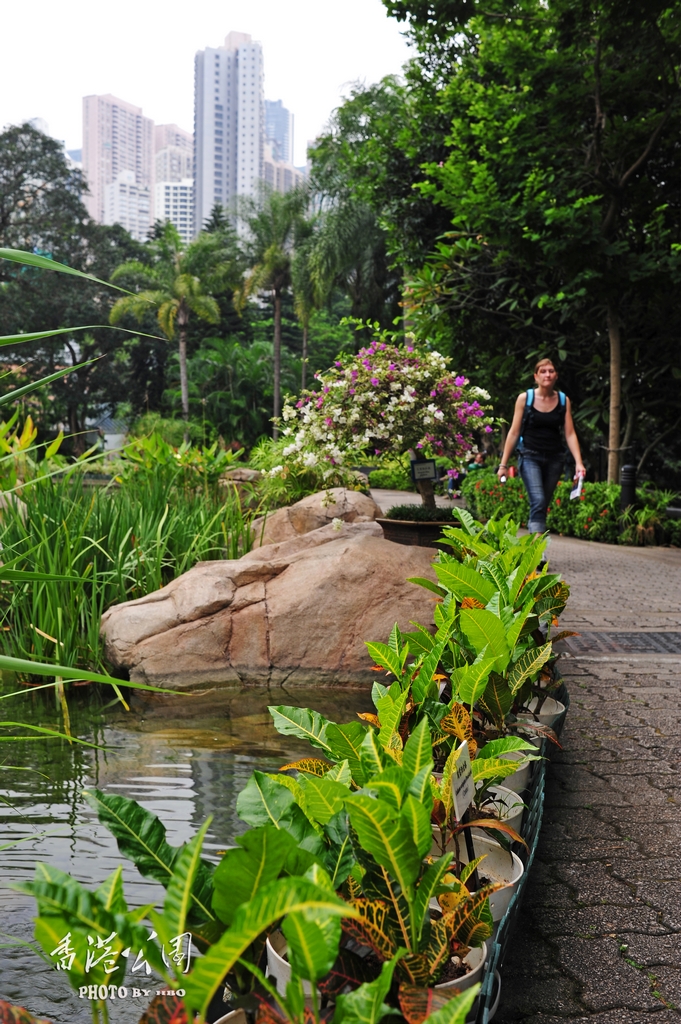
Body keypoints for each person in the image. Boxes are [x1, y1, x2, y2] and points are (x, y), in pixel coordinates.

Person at [497, 358, 586, 533]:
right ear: (536, 376)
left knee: (543, 502)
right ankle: (538, 547)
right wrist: (503, 464)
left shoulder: (563, 400)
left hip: (555, 459)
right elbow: (514, 432)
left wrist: (579, 462)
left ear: (556, 376)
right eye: (543, 371)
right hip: (530, 456)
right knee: (538, 500)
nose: (547, 374)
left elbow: (569, 433)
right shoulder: (525, 399)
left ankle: (534, 545)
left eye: (551, 371)